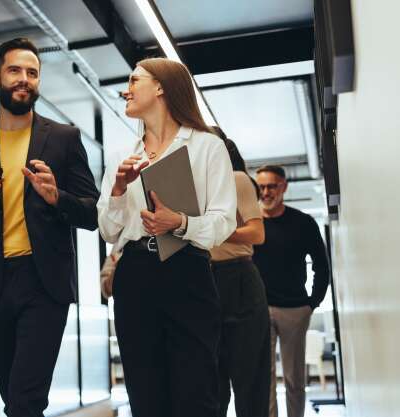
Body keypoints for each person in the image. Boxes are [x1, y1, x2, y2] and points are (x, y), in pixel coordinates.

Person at [0, 38, 99, 417]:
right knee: (15, 401)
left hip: (44, 284)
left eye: (32, 73)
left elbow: (92, 213)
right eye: (14, 70)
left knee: (25, 401)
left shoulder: (64, 139)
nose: (24, 79)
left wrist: (58, 197)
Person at [97, 57, 236, 417]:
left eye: (134, 80)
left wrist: (180, 222)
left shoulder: (207, 146)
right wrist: (117, 190)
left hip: (187, 271)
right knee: (145, 394)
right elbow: (109, 230)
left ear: (160, 86)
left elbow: (224, 222)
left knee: (197, 392)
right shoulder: (120, 157)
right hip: (135, 275)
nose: (125, 90)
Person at [252, 165, 330, 417]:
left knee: (294, 379)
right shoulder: (250, 226)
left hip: (295, 310)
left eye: (271, 186)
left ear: (284, 187)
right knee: (265, 380)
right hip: (258, 311)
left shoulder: (303, 223)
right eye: (261, 187)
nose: (265, 192)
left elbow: (322, 266)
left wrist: (312, 304)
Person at [210, 127, 270, 417]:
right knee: (211, 383)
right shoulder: (192, 187)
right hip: (204, 281)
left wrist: (214, 231)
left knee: (249, 381)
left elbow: (257, 234)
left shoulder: (236, 179)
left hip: (238, 279)